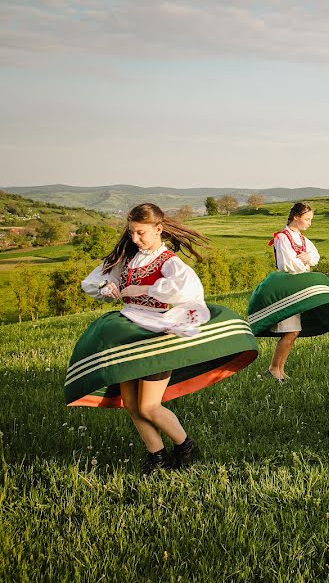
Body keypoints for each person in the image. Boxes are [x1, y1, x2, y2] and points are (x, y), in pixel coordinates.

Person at [68, 203, 259, 473]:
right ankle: (157, 456)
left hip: (157, 331)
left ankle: (185, 445)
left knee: (149, 405)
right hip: (126, 331)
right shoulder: (127, 257)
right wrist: (105, 287)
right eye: (132, 232)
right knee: (132, 405)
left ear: (158, 229)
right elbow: (93, 280)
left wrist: (144, 286)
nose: (134, 238)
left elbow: (187, 290)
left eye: (141, 233)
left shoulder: (169, 262)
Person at [246, 202, 329, 381]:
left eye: (311, 220)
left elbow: (315, 255)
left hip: (298, 287)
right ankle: (274, 369)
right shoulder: (282, 238)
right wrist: (305, 263)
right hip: (286, 287)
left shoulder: (303, 239)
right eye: (307, 219)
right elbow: (287, 264)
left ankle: (278, 369)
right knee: (291, 331)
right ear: (296, 217)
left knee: (293, 331)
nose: (309, 223)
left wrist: (308, 258)